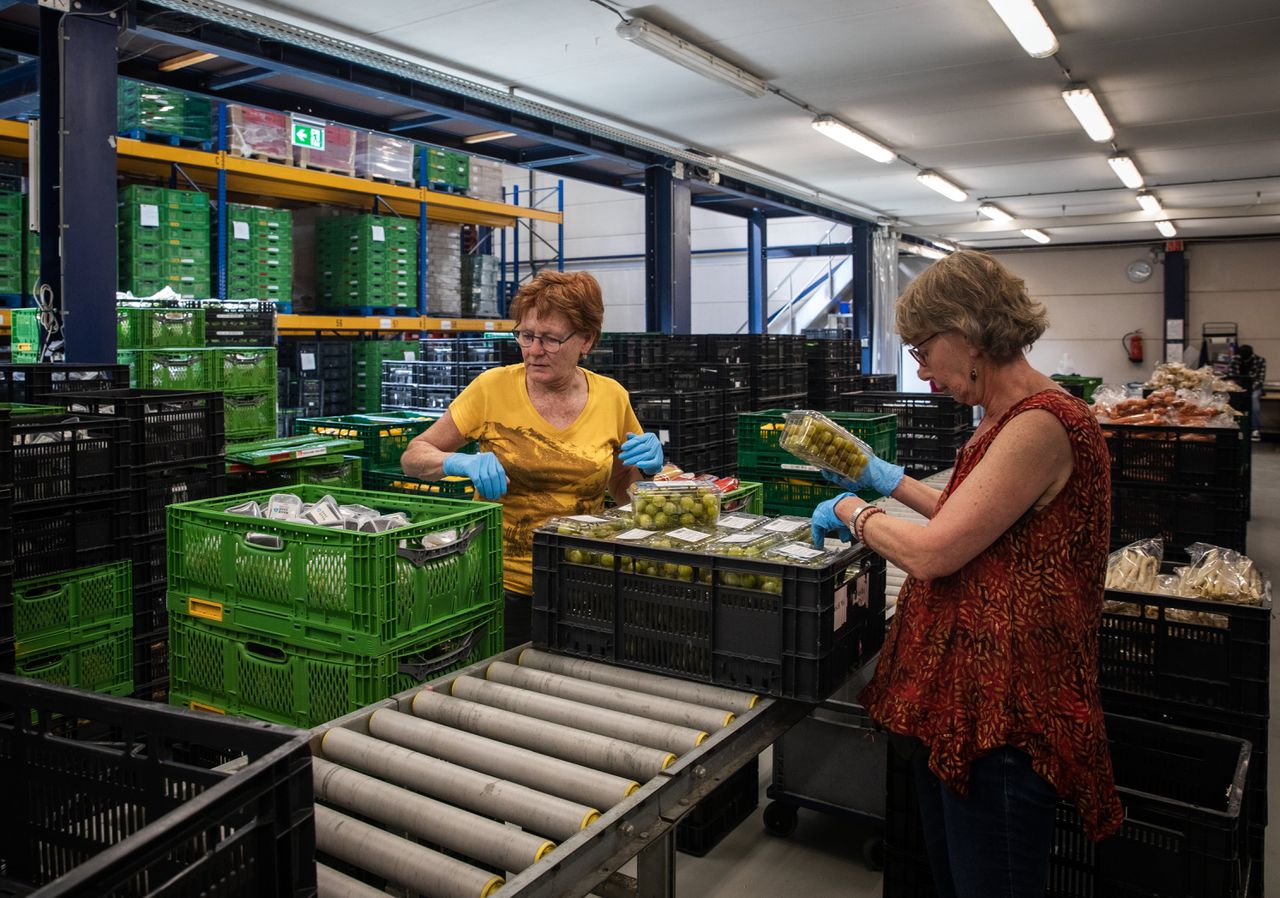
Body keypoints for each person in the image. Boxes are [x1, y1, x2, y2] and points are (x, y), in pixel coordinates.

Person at [810, 250, 1123, 897]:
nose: (923, 374)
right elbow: (973, 519)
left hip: (1005, 717)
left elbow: (935, 552)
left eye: (924, 352)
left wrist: (853, 509)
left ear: (966, 330)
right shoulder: (1002, 420)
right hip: (966, 706)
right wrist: (891, 481)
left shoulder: (1043, 423)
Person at [401, 270, 664, 649]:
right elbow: (413, 457)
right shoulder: (491, 389)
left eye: (551, 339)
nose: (534, 350)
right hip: (497, 585)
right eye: (526, 335)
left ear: (586, 340)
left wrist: (648, 474)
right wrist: (459, 463)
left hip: (583, 579)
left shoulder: (612, 398)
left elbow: (624, 490)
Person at [1228, 344, 1266, 441]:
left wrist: (1249, 389)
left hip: (1254, 386)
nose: (1244, 360)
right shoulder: (1235, 359)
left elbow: (1260, 379)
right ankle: (1232, 427)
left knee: (1253, 399)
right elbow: (1232, 375)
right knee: (1230, 400)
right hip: (1238, 386)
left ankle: (1255, 429)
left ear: (1251, 355)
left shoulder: (1260, 361)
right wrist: (1238, 388)